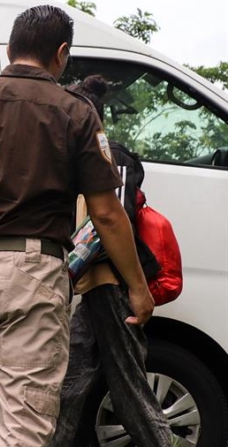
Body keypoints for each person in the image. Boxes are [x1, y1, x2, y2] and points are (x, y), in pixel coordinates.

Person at [0, 5, 155, 447]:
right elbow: (106, 212)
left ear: (10, 48)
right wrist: (138, 287)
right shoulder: (77, 113)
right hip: (30, 272)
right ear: (61, 53)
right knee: (24, 425)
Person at [50, 75, 176, 447]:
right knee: (70, 385)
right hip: (94, 287)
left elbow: (111, 220)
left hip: (112, 286)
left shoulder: (111, 156)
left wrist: (67, 268)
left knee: (129, 387)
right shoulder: (75, 156)